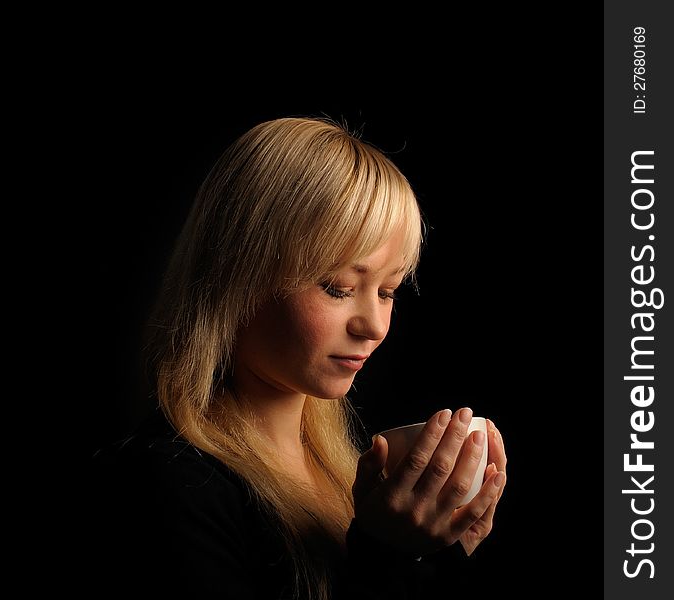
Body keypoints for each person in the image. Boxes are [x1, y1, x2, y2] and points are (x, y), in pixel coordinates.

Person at [90, 117, 507, 599]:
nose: (373, 326)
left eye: (388, 291)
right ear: (239, 274)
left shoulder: (350, 476)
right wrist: (387, 557)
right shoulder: (165, 488)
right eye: (338, 288)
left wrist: (440, 557)